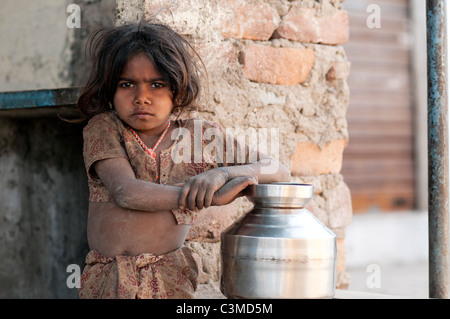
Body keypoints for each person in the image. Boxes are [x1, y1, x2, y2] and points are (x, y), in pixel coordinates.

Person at [76, 20, 290, 299]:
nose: (142, 97)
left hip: (170, 279)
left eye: (156, 84)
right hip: (109, 280)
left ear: (176, 89)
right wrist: (209, 197)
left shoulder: (200, 136)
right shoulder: (104, 128)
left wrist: (221, 175)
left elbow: (278, 170)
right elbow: (126, 193)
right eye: (127, 84)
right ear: (111, 90)